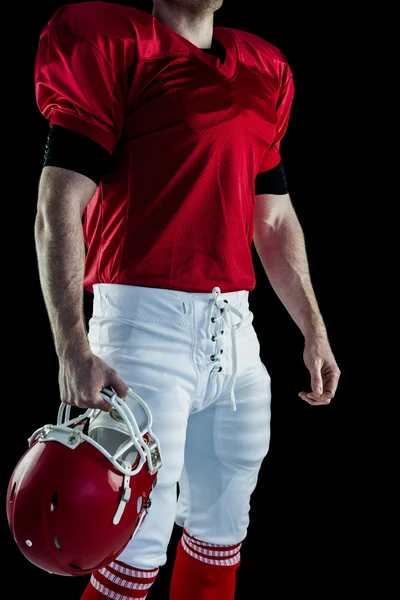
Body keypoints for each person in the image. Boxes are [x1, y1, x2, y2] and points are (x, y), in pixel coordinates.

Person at [33, 0, 341, 598]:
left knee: (222, 534)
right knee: (129, 552)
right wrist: (71, 345)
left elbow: (273, 221)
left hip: (237, 337)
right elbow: (57, 206)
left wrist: (314, 329)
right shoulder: (121, 50)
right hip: (142, 335)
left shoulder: (261, 69)